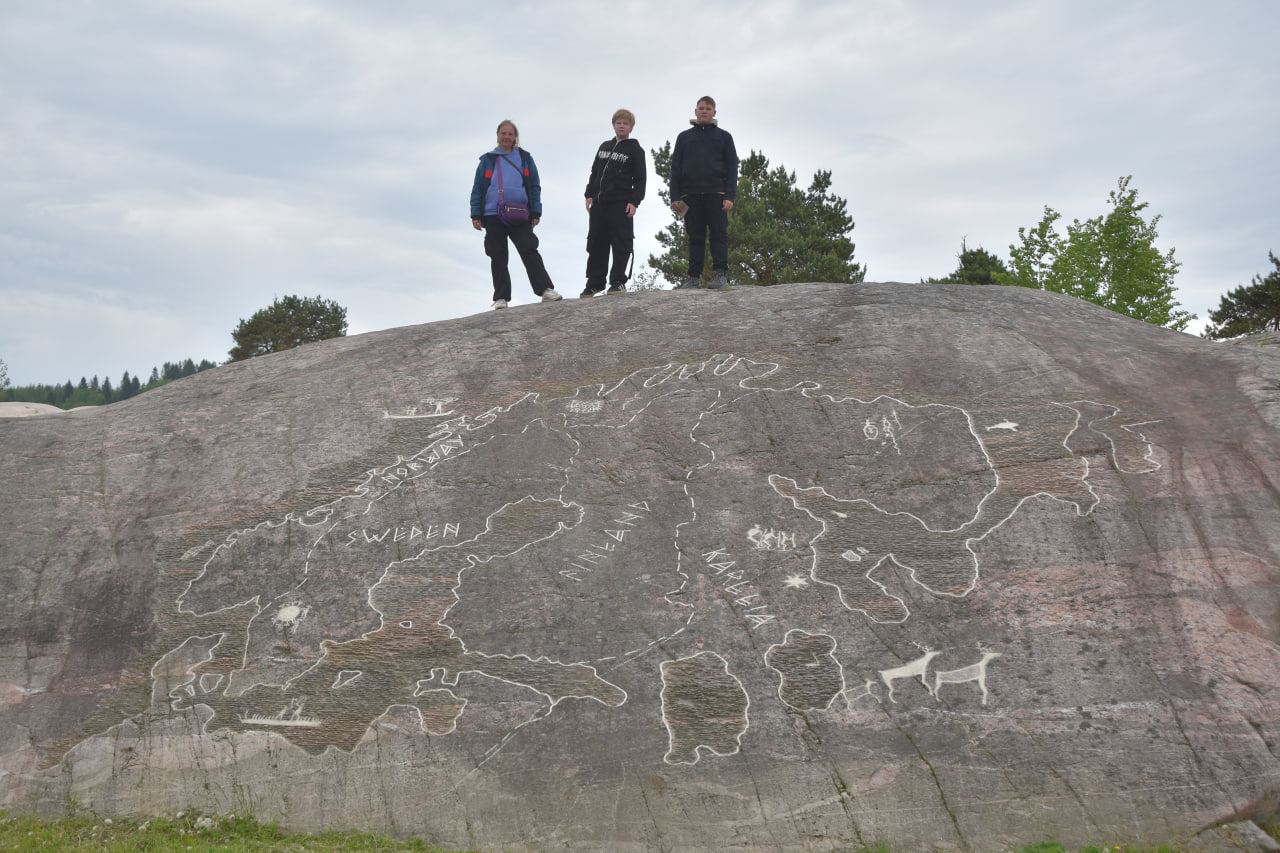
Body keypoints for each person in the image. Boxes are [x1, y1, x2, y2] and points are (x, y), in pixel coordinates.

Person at [470, 119, 563, 309]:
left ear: (515, 137)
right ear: (497, 135)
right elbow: (478, 188)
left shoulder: (525, 158)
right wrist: (475, 215)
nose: (506, 137)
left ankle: (545, 289)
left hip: (519, 213)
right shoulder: (488, 160)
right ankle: (501, 298)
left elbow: (534, 186)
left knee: (529, 248)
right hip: (491, 213)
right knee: (497, 254)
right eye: (503, 133)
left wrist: (536, 211)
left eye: (510, 134)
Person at [669, 96, 739, 290]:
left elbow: (733, 169)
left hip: (716, 193)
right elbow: (675, 168)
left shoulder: (724, 137)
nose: (704, 111)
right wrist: (675, 196)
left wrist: (729, 196)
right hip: (690, 195)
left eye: (708, 108)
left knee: (718, 234)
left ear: (714, 112)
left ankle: (719, 274)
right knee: (695, 236)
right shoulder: (684, 137)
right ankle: (693, 277)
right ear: (695, 111)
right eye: (701, 108)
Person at [582, 109, 647, 297]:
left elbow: (641, 179)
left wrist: (634, 202)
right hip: (599, 204)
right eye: (618, 122)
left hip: (621, 204)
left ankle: (618, 281)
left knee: (621, 243)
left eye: (625, 123)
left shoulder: (635, 150)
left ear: (631, 127)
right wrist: (589, 194)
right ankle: (594, 282)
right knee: (596, 243)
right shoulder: (604, 146)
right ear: (613, 124)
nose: (621, 125)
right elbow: (594, 172)